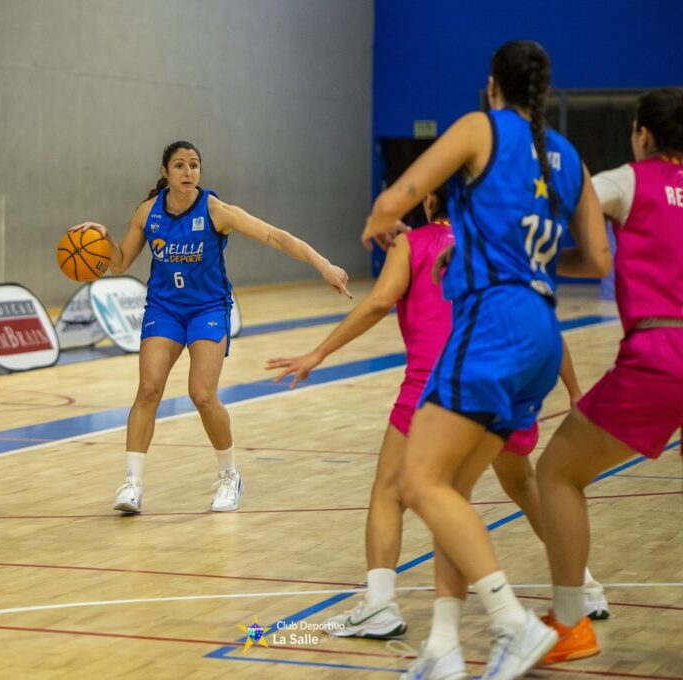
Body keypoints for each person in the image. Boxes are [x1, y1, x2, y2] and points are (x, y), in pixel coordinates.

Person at [360, 41, 611, 680]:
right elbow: (598, 260)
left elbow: (401, 195)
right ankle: (443, 646)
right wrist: (520, 262)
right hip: (543, 331)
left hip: (491, 326)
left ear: (493, 84)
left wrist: (381, 220)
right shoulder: (569, 154)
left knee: (418, 483)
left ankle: (512, 622)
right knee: (455, 490)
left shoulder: (480, 126)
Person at [267, 190, 608, 644]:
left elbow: (376, 302)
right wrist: (574, 387)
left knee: (390, 492)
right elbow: (540, 316)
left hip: (435, 388)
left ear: (428, 197)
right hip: (501, 382)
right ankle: (583, 586)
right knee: (522, 484)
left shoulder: (413, 245)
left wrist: (319, 352)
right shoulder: (494, 242)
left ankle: (380, 605)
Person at [69, 140, 351, 515]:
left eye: (195, 165)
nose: (189, 172)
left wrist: (323, 264)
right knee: (149, 389)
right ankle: (132, 484)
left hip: (207, 308)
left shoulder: (215, 210)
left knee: (201, 394)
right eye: (181, 166)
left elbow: (275, 235)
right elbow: (119, 262)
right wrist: (101, 241)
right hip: (165, 308)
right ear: (165, 172)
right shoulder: (148, 212)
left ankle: (229, 475)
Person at [536, 87, 683, 665]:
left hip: (661, 352)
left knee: (556, 473)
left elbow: (573, 213)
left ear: (643, 133)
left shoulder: (630, 179)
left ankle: (571, 623)